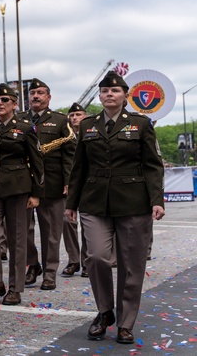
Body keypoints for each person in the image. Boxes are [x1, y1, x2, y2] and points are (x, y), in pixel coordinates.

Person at [65, 71, 165, 345]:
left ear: (125, 96)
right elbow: (78, 168)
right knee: (96, 257)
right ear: (100, 96)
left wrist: (157, 200)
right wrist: (71, 203)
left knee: (131, 265)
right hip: (94, 201)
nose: (110, 94)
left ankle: (125, 322)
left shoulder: (141, 124)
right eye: (105, 91)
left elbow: (153, 166)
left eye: (115, 91)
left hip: (134, 202)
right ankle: (105, 311)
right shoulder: (87, 126)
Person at [0, 83, 44, 306]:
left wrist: (36, 193)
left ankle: (15, 288)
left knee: (17, 240)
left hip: (18, 187)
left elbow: (37, 162)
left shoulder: (25, 128)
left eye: (4, 100)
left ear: (15, 104)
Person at [22, 78, 73, 290]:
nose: (35, 96)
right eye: (32, 93)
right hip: (24, 183)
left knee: (51, 232)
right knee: (22, 230)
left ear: (48, 97)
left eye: (40, 93)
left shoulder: (61, 121)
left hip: (53, 183)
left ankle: (50, 272)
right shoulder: (20, 119)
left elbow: (70, 155)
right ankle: (33, 264)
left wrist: (69, 182)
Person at [62, 102, 89, 277]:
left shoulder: (91, 132)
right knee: (68, 222)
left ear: (85, 116)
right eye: (72, 115)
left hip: (87, 184)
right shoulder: (66, 134)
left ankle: (87, 261)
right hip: (69, 184)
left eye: (78, 115)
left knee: (88, 224)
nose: (75, 118)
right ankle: (74, 260)